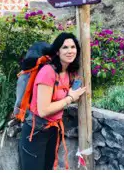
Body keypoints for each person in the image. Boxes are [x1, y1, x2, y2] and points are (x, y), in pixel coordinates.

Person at [19, 32, 87, 170]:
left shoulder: (69, 72)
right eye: (65, 47)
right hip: (36, 132)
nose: (70, 51)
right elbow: (43, 110)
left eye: (73, 47)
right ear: (57, 51)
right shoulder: (48, 72)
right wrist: (70, 98)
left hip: (53, 130)